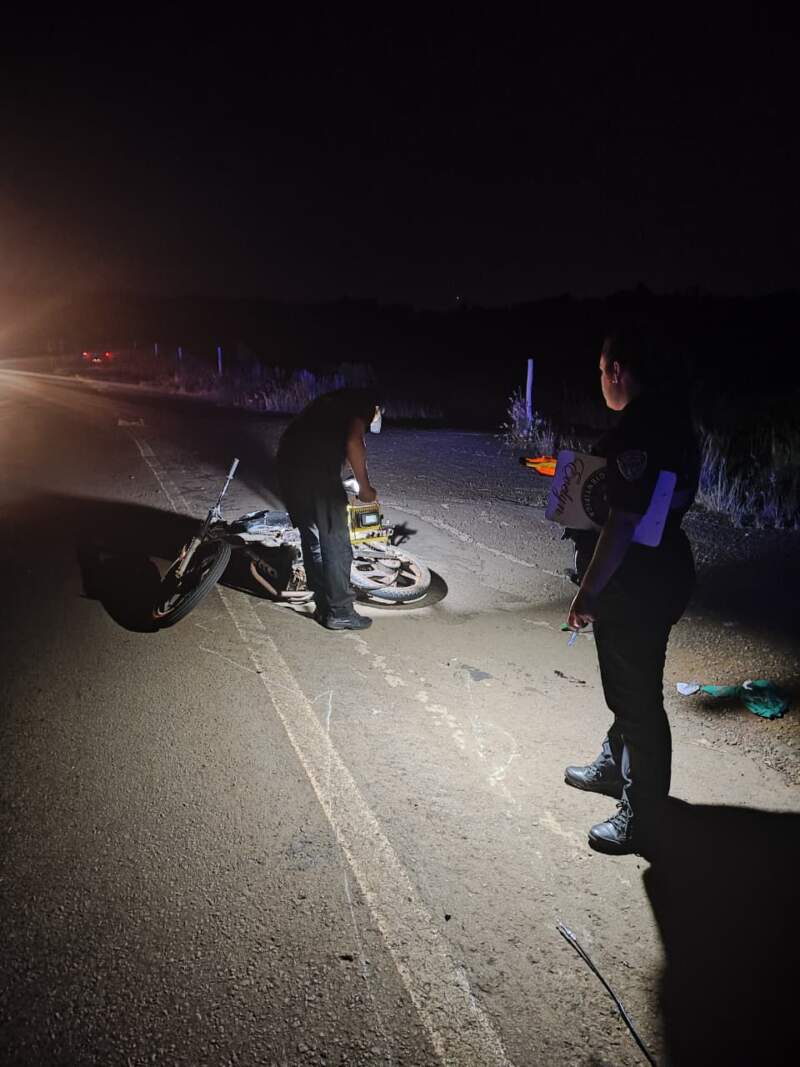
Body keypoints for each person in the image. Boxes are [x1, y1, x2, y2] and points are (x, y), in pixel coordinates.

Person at [565, 328, 699, 855]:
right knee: (631, 685)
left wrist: (589, 592)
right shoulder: (676, 419)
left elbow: (623, 520)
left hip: (637, 581)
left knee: (637, 699)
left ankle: (643, 813)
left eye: (601, 371)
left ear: (617, 370)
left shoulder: (640, 429)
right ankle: (614, 763)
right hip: (662, 570)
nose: (601, 381)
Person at [276, 387, 383, 631]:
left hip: (286, 469)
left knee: (312, 538)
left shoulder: (327, 404)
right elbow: (354, 442)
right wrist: (365, 488)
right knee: (336, 544)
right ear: (375, 408)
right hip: (315, 475)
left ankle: (323, 603)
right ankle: (341, 611)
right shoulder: (360, 404)